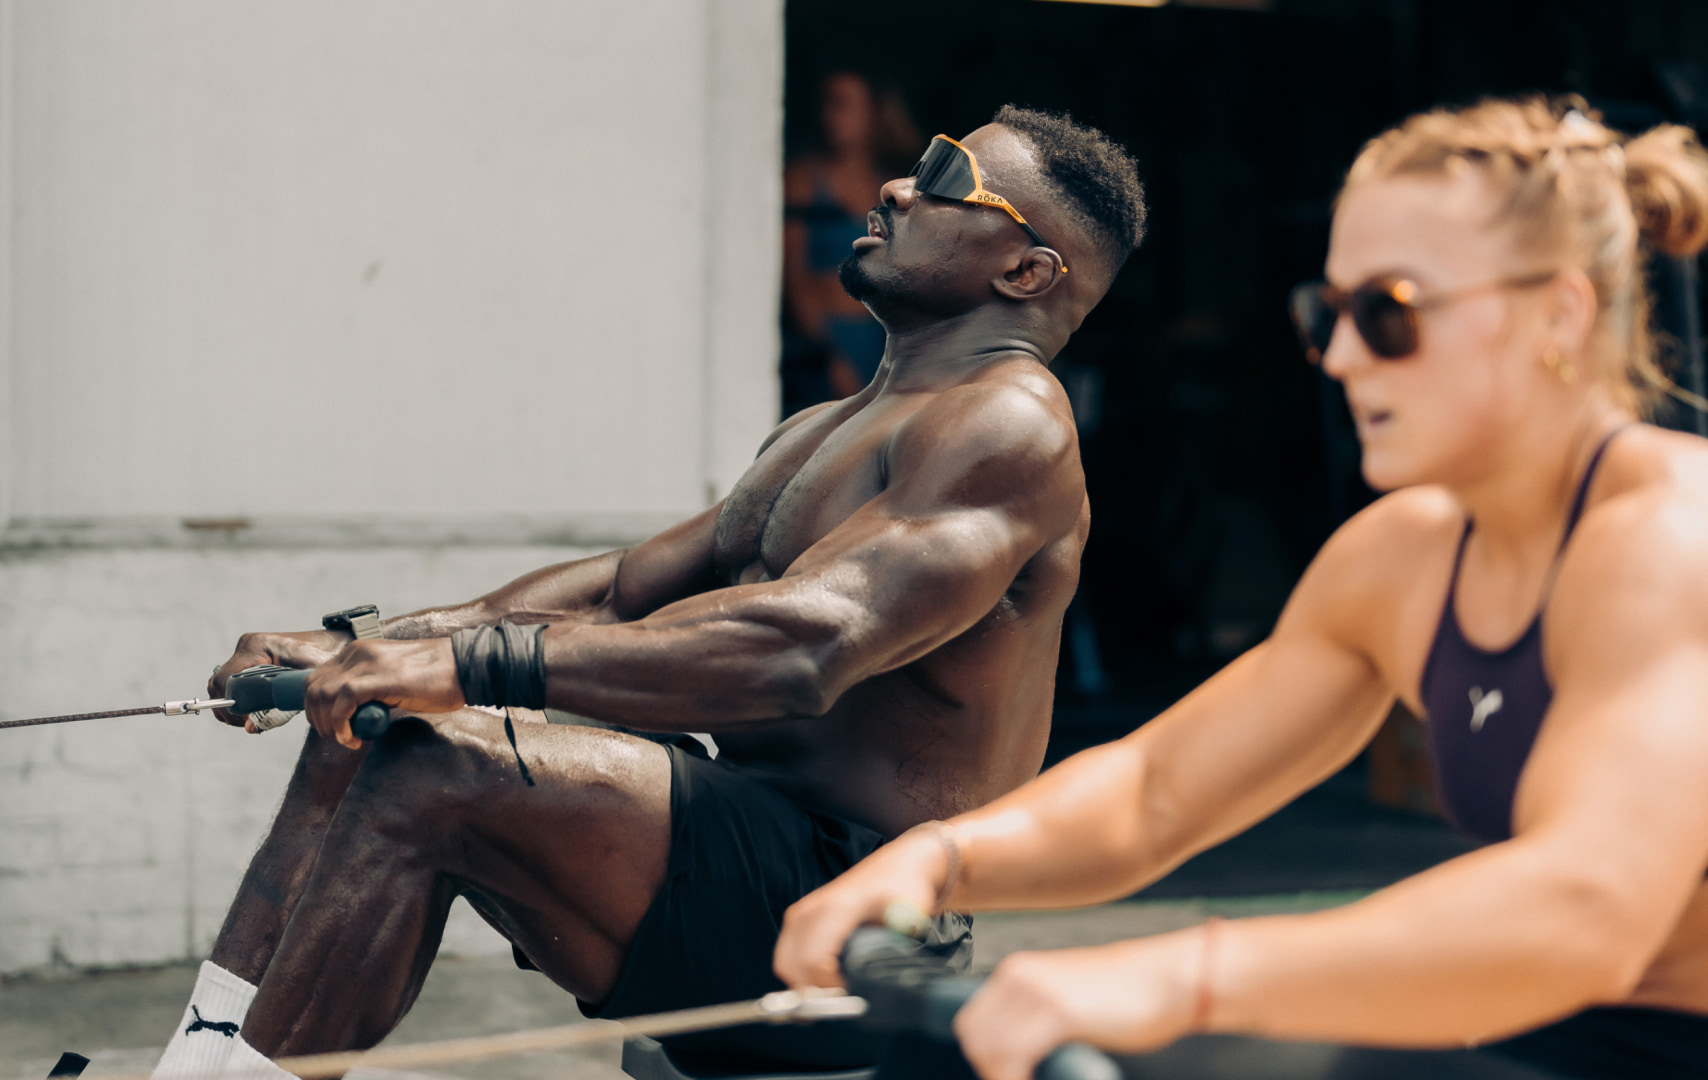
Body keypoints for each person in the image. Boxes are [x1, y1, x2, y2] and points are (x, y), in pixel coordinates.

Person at [147, 106, 1147, 1080]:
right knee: (361, 725)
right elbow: (620, 592)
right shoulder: (827, 427)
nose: (894, 185)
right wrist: (365, 649)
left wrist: (457, 668)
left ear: (1024, 270)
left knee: (430, 767)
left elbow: (798, 649)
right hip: (744, 853)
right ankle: (194, 1068)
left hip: (856, 917)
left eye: (941, 178)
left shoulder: (1012, 424)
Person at [774, 97, 1708, 1080]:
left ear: (1557, 314)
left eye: (1390, 314)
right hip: (1550, 1037)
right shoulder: (1406, 557)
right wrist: (939, 861)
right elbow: (1153, 793)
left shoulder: (1666, 544)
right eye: (1327, 313)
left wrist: (1184, 978)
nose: (1340, 358)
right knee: (975, 1057)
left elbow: (1586, 909)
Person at [783, 71, 921, 404]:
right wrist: (827, 355)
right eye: (826, 103)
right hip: (821, 344)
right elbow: (794, 277)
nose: (830, 115)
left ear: (873, 112)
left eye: (843, 104)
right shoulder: (803, 179)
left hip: (882, 344)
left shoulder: (895, 186)